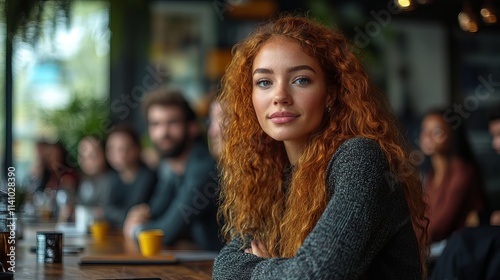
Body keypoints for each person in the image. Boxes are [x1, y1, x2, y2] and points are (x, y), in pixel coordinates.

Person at [212, 16, 428, 280]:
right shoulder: (273, 173)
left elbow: (317, 273)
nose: (280, 96)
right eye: (264, 82)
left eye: (301, 80)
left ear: (330, 93)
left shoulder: (360, 158)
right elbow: (224, 267)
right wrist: (286, 269)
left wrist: (269, 268)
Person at [122, 90, 222, 251]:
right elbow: (155, 210)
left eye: (173, 122)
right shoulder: (170, 167)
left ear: (192, 127)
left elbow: (165, 233)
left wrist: (133, 229)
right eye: (156, 124)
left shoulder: (203, 168)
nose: (163, 133)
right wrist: (139, 215)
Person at [419, 109, 487, 242]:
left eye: (436, 131)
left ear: (453, 134)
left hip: (455, 252)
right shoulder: (432, 175)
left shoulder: (463, 172)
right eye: (424, 130)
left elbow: (439, 227)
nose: (427, 136)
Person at [104, 124, 156, 228]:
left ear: (137, 149)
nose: (117, 154)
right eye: (112, 149)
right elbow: (108, 210)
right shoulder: (114, 177)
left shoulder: (147, 177)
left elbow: (134, 212)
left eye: (123, 149)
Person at [76, 136, 115, 228]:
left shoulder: (113, 180)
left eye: (92, 156)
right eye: (82, 156)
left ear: (104, 154)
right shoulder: (85, 180)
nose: (86, 161)